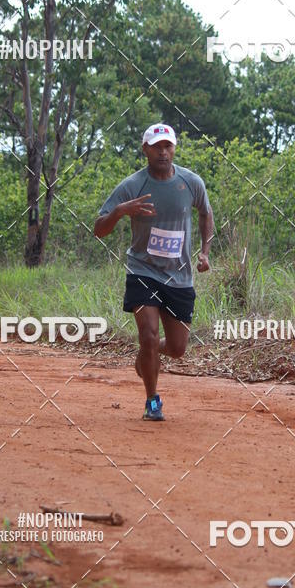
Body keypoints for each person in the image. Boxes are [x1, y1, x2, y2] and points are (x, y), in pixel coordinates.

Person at [94, 123, 214, 421]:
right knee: (147, 335)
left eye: (168, 146)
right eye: (157, 146)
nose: (163, 152)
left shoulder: (191, 182)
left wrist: (205, 251)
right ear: (145, 149)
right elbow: (98, 229)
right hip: (143, 270)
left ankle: (147, 357)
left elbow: (206, 213)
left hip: (180, 276)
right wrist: (121, 210)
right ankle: (152, 400)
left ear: (174, 148)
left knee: (176, 348)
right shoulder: (132, 185)